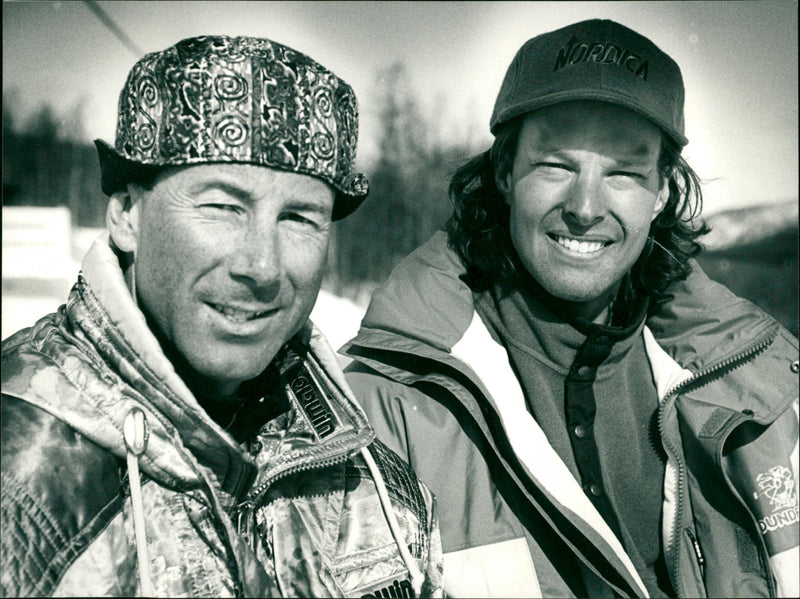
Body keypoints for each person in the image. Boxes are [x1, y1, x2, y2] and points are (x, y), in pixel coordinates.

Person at [342, 19, 798, 598]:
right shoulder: (385, 409)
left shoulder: (761, 387)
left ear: (661, 193)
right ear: (505, 173)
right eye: (556, 165)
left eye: (624, 173)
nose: (585, 207)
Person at [1, 35, 442, 598]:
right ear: (126, 214)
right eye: (222, 206)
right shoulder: (23, 483)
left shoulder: (373, 483)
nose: (261, 266)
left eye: (300, 218)